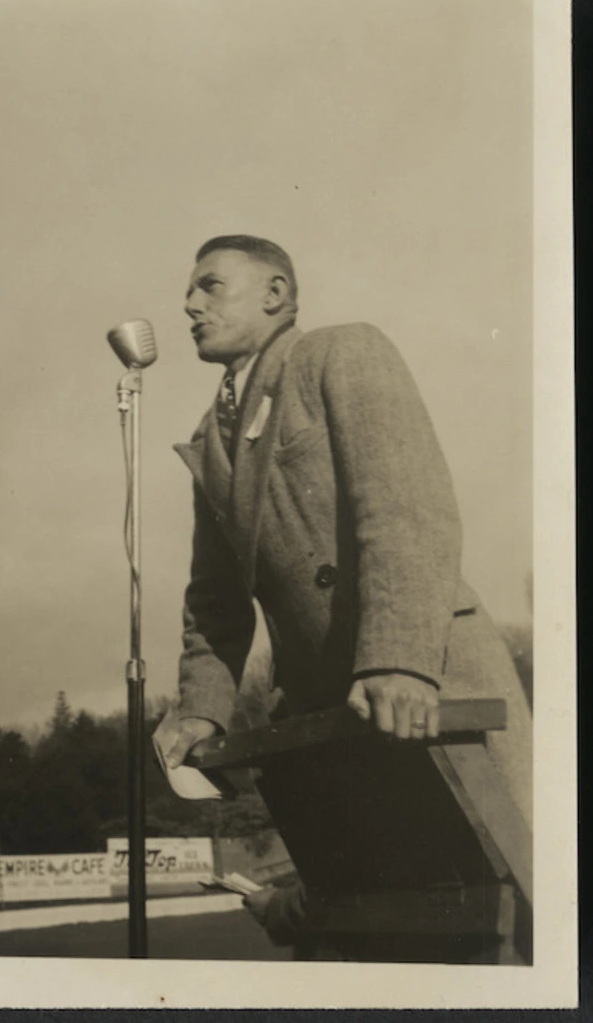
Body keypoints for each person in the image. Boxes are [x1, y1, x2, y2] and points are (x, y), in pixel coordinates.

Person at [154, 235, 531, 898]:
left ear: (275, 294)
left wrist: (399, 659)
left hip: (432, 680)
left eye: (208, 285)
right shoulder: (209, 437)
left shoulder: (340, 352)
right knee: (392, 918)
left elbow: (405, 508)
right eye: (188, 291)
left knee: (521, 904)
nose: (188, 304)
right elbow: (213, 600)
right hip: (328, 714)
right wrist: (200, 713)